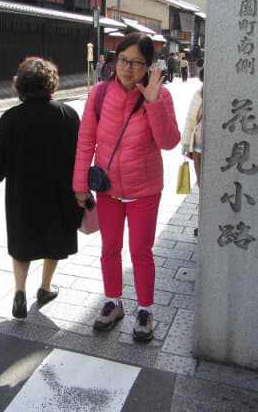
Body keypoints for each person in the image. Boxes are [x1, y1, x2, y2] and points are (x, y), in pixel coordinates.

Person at [73, 32, 180, 342]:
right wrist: (81, 185)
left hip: (144, 189)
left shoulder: (161, 96)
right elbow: (85, 141)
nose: (128, 68)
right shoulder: (100, 94)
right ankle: (113, 301)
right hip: (108, 189)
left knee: (140, 251)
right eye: (123, 60)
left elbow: (169, 142)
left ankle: (144, 309)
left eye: (137, 62)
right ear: (114, 60)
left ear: (148, 66)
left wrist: (153, 103)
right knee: (109, 248)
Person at [0, 57, 81, 319]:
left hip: (22, 193)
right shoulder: (68, 115)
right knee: (54, 239)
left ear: (21, 86)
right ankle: (45, 288)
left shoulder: (11, 118)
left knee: (21, 241)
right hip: (58, 191)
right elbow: (80, 156)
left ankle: (19, 292)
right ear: (52, 84)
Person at [181, 68, 204, 236]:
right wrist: (185, 143)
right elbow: (190, 119)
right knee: (203, 187)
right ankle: (203, 222)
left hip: (216, 150)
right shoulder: (199, 94)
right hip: (199, 150)